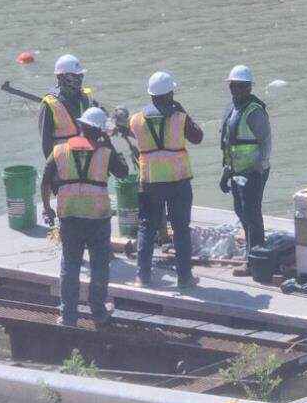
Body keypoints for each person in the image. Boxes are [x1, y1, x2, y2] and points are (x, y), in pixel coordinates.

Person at [40, 106, 129, 328]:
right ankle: (98, 313)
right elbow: (123, 171)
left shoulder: (59, 151)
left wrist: (47, 208)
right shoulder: (105, 154)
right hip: (97, 218)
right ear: (100, 131)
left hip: (69, 216)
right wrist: (108, 142)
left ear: (79, 126)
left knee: (70, 265)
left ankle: (68, 317)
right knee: (99, 266)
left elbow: (45, 180)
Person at [130, 71, 203, 289]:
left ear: (151, 95)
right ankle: (184, 278)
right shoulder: (180, 118)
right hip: (178, 182)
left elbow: (129, 132)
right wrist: (182, 111)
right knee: (181, 229)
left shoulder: (136, 119)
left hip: (149, 182)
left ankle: (142, 277)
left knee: (146, 228)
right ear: (170, 94)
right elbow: (197, 137)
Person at [219, 65, 271, 261]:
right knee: (240, 210)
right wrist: (226, 172)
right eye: (233, 86)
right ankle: (254, 248)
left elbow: (265, 142)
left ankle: (254, 257)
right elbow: (228, 144)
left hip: (253, 171)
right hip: (236, 171)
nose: (236, 91)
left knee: (251, 213)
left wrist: (258, 169)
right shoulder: (232, 109)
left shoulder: (254, 111)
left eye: (241, 87)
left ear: (249, 88)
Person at [38, 53, 95, 158]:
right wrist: (53, 170)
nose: (78, 80)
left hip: (87, 158)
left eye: (80, 76)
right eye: (73, 77)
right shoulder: (50, 104)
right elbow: (46, 144)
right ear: (60, 77)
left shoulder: (87, 97)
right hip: (65, 162)